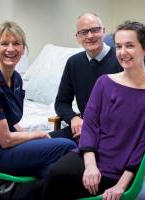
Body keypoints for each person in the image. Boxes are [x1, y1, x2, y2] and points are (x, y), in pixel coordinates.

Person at [34, 21, 145, 200]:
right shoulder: (104, 82)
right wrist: (91, 165)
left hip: (118, 169)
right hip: (91, 156)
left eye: (130, 46)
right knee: (49, 176)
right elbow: (90, 126)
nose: (123, 52)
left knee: (51, 182)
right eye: (118, 46)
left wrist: (121, 185)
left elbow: (143, 146)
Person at [0, 21, 76, 178]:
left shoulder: (16, 79)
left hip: (4, 146)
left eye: (16, 43)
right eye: (4, 43)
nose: (11, 49)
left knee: (50, 169)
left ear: (23, 49)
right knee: (67, 146)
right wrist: (36, 135)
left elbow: (9, 120)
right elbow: (5, 140)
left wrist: (31, 139)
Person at [49, 12, 122, 141]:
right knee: (42, 144)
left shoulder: (120, 59)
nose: (90, 36)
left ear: (103, 31)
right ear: (77, 37)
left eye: (95, 30)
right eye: (83, 32)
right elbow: (61, 102)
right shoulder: (73, 63)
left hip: (112, 133)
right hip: (83, 129)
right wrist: (73, 118)